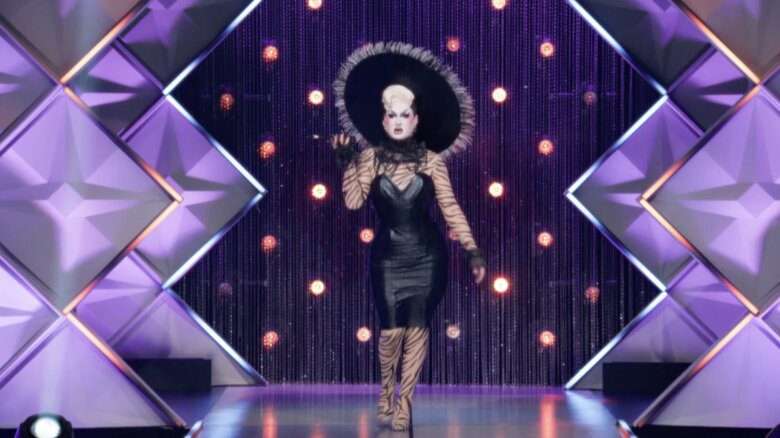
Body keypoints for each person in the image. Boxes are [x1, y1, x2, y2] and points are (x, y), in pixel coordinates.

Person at [331, 42, 486, 432]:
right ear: (383, 120)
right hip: (387, 258)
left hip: (427, 257)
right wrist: (348, 163)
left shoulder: (432, 161)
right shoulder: (369, 158)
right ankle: (386, 389)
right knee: (390, 333)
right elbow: (353, 203)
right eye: (392, 115)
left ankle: (405, 402)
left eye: (405, 115)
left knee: (417, 327)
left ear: (416, 119)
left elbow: (450, 207)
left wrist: (472, 249)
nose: (398, 121)